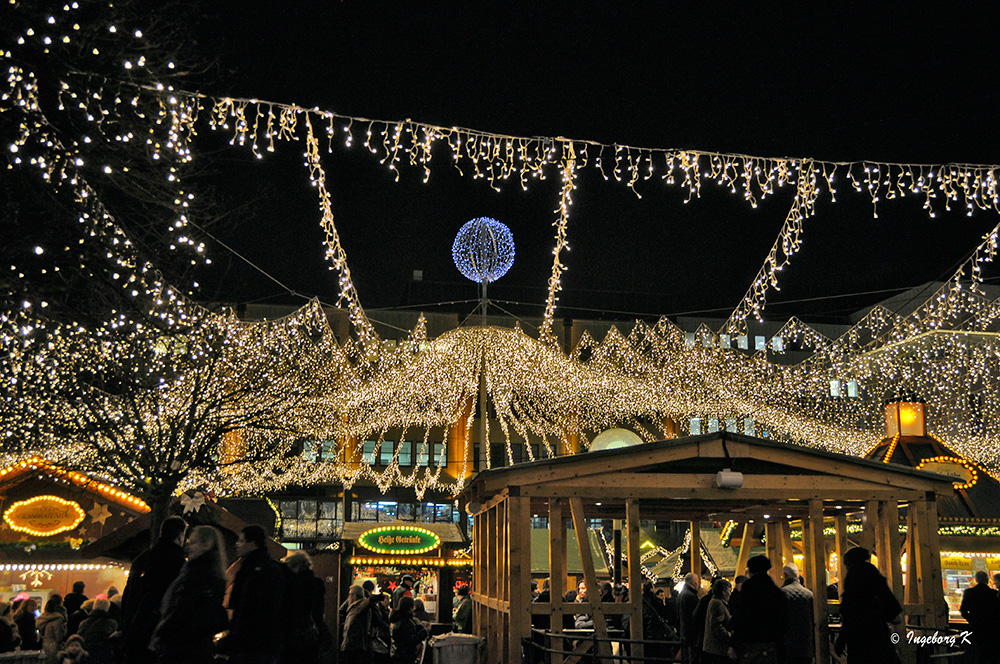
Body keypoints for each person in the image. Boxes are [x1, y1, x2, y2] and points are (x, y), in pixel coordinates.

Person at [149, 525, 229, 664]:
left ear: (206, 544)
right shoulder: (212, 574)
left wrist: (161, 632)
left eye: (193, 542)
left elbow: (181, 608)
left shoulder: (197, 573)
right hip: (195, 647)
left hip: (181, 647)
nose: (188, 547)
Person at [121, 515, 187, 664]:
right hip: (158, 635)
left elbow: (128, 594)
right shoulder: (179, 563)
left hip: (134, 629)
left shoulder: (143, 558)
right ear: (180, 535)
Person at [219, 524, 286, 664]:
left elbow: (256, 610)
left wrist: (234, 636)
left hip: (255, 646)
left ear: (252, 544)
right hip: (256, 644)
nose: (237, 545)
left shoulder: (258, 571)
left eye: (241, 541)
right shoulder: (253, 568)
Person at [834, 547, 902, 664]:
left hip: (858, 636)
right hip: (878, 631)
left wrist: (842, 640)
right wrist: (892, 615)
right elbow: (887, 598)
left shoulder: (852, 577)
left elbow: (850, 612)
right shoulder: (873, 573)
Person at [729, 555, 787, 664]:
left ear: (751, 570)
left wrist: (733, 643)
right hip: (772, 644)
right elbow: (784, 621)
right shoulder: (776, 592)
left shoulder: (749, 589)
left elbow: (741, 616)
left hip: (750, 644)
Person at [282, 550, 326, 664]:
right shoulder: (317, 584)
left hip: (292, 636)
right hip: (311, 635)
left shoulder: (291, 584)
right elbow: (318, 613)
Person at [960, 570, 999, 664]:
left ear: (976, 580)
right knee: (991, 653)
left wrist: (971, 619)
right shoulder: (994, 593)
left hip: (976, 627)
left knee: (977, 653)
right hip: (992, 628)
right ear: (987, 580)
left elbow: (963, 610)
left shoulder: (969, 592)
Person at [780, 563, 814, 664]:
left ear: (785, 576)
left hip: (787, 645)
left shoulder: (781, 594)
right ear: (798, 576)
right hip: (806, 644)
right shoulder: (809, 594)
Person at [77, 598, 118, 664]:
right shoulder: (112, 623)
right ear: (107, 608)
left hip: (86, 654)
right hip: (103, 655)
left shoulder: (84, 623)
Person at [701, 578, 733, 664]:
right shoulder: (718, 603)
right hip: (717, 648)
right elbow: (716, 625)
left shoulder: (715, 601)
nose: (730, 594)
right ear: (723, 592)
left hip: (713, 648)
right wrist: (728, 635)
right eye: (729, 591)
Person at [390, 596, 428, 664]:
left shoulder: (399, 619)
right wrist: (423, 632)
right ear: (410, 607)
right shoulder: (406, 622)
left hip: (400, 654)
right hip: (406, 656)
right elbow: (410, 640)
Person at [341, 585, 372, 664]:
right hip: (350, 643)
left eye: (350, 594)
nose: (349, 596)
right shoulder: (353, 606)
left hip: (355, 645)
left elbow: (367, 602)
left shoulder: (360, 606)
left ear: (355, 595)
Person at [39, 595, 69, 662]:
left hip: (44, 644)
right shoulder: (58, 618)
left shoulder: (43, 617)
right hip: (54, 646)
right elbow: (59, 636)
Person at [678, 573, 700, 658]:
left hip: (684, 631)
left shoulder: (682, 594)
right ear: (694, 582)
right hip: (692, 632)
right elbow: (695, 615)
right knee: (692, 656)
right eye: (697, 581)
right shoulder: (690, 596)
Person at [371, 593, 392, 664]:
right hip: (382, 636)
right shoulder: (380, 611)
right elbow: (380, 622)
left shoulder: (385, 610)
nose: (389, 601)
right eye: (387, 600)